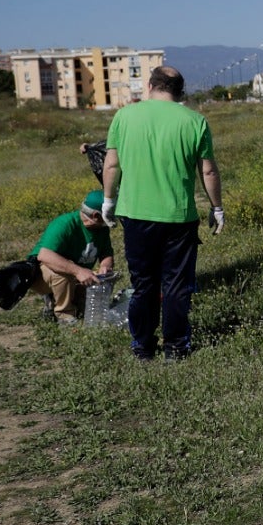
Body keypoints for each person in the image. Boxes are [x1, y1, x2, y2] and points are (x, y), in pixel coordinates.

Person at [101, 66, 224, 361]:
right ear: (180, 90)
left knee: (143, 285)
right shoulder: (195, 120)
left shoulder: (124, 116)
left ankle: (142, 348)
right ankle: (176, 348)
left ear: (150, 85)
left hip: (136, 215)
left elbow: (112, 165)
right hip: (179, 217)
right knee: (176, 286)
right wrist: (217, 207)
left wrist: (107, 200)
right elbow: (207, 169)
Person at [25, 190, 115, 324]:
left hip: (74, 274)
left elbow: (106, 253)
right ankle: (65, 316)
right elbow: (44, 256)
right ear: (96, 215)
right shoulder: (64, 224)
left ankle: (65, 301)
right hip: (42, 273)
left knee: (90, 299)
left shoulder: (101, 229)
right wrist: (78, 271)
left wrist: (105, 267)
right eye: (109, 213)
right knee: (62, 275)